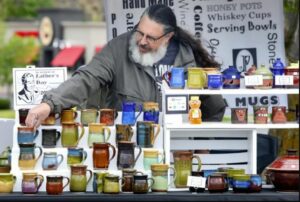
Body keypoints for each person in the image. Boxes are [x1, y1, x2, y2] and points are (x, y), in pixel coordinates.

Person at [26, 4, 226, 128]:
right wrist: (50, 103)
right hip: (128, 150)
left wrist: (201, 142)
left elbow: (215, 106)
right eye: (140, 32)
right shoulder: (117, 49)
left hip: (176, 150)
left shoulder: (188, 59)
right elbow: (87, 78)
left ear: (168, 38)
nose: (142, 41)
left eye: (151, 37)